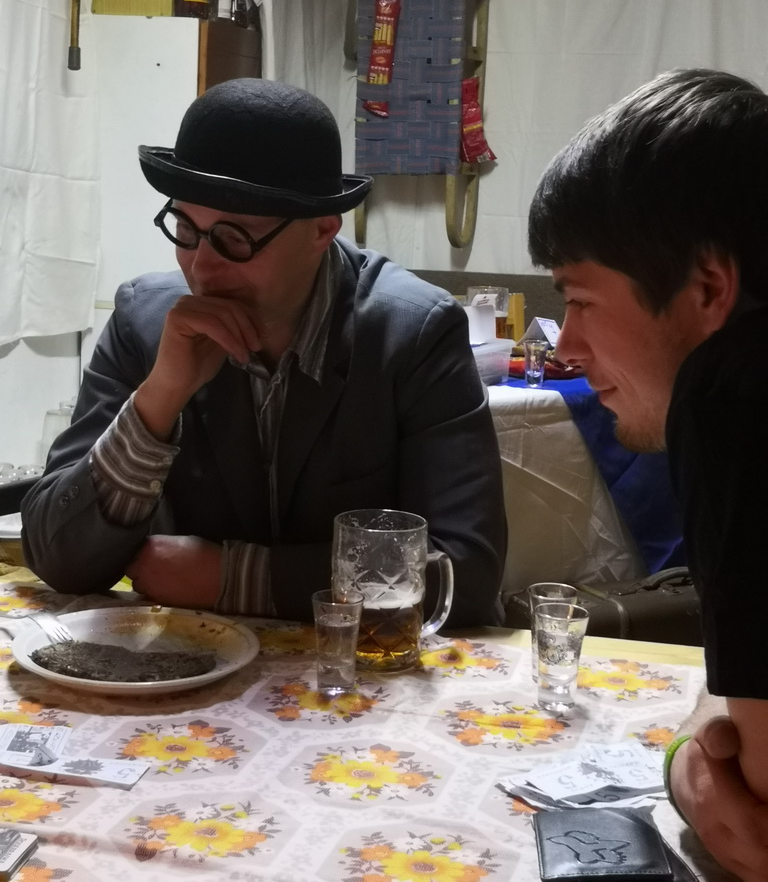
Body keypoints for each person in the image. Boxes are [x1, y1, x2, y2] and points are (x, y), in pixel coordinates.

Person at [22, 78, 506, 627]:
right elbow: (58, 558)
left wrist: (236, 578)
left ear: (322, 230)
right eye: (186, 229)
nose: (201, 268)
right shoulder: (145, 322)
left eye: (235, 238)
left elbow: (465, 571)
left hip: (369, 666)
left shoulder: (413, 333)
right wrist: (158, 399)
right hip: (198, 665)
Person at [526, 68, 768, 880]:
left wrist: (690, 764)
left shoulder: (737, 391)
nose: (565, 347)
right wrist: (692, 753)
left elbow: (754, 821)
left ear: (708, 286)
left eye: (580, 300)